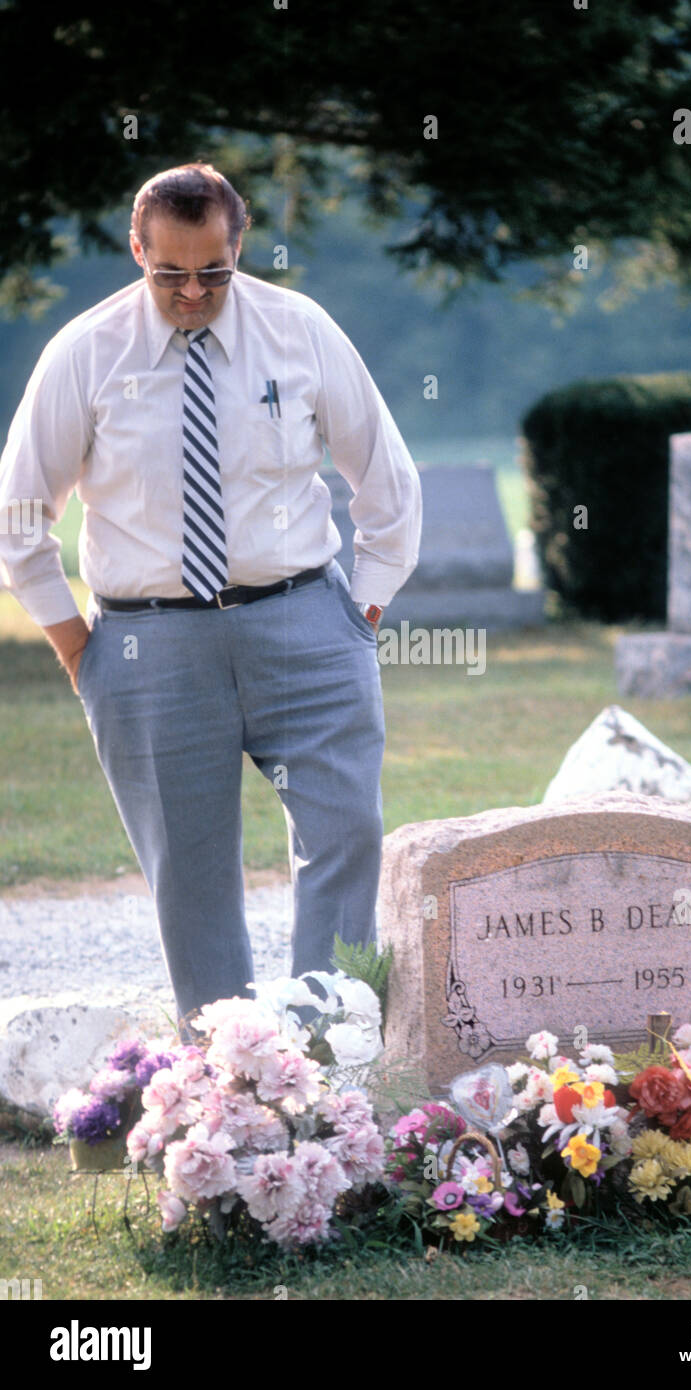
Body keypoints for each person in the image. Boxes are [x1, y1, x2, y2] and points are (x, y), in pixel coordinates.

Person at [0, 163, 422, 1030]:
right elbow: (19, 519)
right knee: (189, 882)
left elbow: (387, 483)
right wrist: (78, 649)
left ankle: (332, 1068)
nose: (192, 292)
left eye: (213, 272)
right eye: (170, 273)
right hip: (146, 647)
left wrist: (359, 616)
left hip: (305, 623)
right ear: (137, 251)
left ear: (239, 246)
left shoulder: (298, 329)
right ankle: (228, 1096)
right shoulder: (84, 353)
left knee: (345, 840)